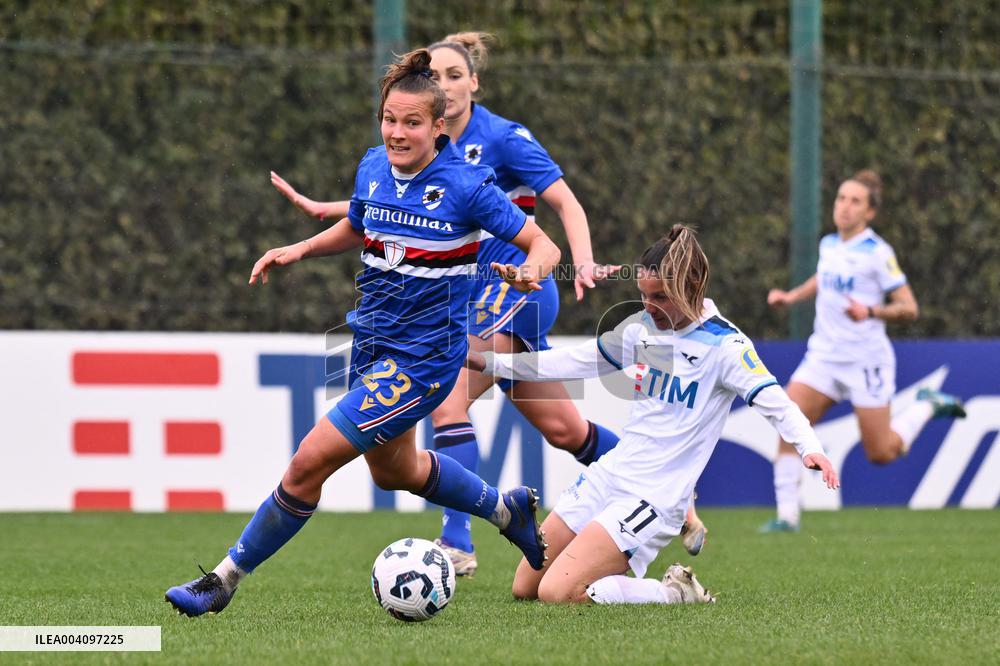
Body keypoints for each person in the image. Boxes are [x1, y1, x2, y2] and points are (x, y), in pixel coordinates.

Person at [269, 32, 708, 575]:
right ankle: (673, 491)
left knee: (449, 401)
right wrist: (329, 211)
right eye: (439, 75)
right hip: (476, 289)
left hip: (514, 287)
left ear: (474, 83)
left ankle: (458, 544)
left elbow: (562, 203)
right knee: (566, 430)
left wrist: (583, 260)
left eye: (457, 76)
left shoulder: (504, 137)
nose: (447, 87)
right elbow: (404, 200)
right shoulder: (416, 142)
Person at [164, 48, 562, 617]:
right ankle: (506, 511)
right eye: (389, 120)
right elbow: (359, 220)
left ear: (439, 125)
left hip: (425, 358)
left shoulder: (467, 186)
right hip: (371, 343)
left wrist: (530, 273)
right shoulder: (373, 164)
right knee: (395, 469)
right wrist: (300, 248)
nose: (397, 133)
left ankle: (222, 580)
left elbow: (543, 244)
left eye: (412, 122)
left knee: (308, 462)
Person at [466, 225, 839, 605]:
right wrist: (490, 363)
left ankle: (672, 593)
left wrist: (810, 446)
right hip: (610, 475)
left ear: (691, 285)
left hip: (654, 499)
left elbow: (775, 401)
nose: (649, 306)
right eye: (643, 296)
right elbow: (574, 361)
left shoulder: (726, 346)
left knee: (557, 593)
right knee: (525, 587)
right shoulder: (642, 329)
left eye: (660, 296)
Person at [760, 170, 966, 533]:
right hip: (823, 357)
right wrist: (791, 297)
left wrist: (870, 311)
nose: (845, 207)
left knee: (882, 452)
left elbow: (909, 307)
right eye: (841, 198)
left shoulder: (878, 253)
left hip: (865, 361)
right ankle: (787, 518)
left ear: (869, 213)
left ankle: (926, 405)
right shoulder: (828, 245)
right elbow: (823, 278)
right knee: (788, 423)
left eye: (855, 201)